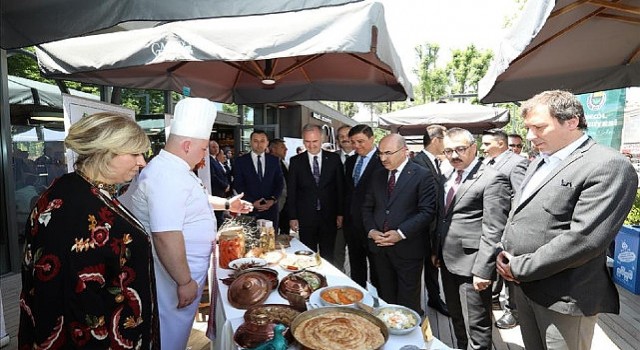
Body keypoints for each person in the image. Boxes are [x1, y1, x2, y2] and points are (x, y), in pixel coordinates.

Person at [497, 90, 638, 350]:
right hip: (526, 288)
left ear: (571, 121)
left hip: (564, 297)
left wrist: (519, 267)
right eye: (527, 128)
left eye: (539, 127)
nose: (529, 136)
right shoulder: (540, 161)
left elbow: (585, 239)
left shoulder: (608, 165)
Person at [19, 113, 160, 349]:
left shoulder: (74, 188)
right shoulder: (77, 212)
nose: (142, 162)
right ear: (105, 152)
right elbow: (78, 302)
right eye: (134, 154)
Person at [120, 98, 252, 350]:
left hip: (184, 271)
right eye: (203, 149)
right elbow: (165, 235)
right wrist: (184, 281)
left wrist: (227, 204)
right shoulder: (166, 175)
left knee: (178, 332)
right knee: (169, 333)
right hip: (173, 276)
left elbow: (196, 202)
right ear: (188, 144)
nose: (204, 155)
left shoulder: (176, 169)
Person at [435, 128, 512, 350]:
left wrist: (483, 270)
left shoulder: (492, 178)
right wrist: (436, 250)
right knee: (457, 319)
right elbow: (443, 218)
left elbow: (494, 229)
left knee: (476, 326)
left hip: (473, 266)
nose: (454, 155)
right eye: (448, 150)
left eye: (460, 149)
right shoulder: (448, 176)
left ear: (473, 148)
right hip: (448, 262)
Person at [362, 133, 436, 314]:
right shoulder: (377, 175)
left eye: (388, 153)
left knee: (407, 303)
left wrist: (400, 233)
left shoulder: (422, 175)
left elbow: (427, 211)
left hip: (408, 250)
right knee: (386, 299)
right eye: (380, 153)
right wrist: (371, 231)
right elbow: (367, 207)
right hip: (380, 249)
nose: (383, 158)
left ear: (404, 151)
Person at [480, 128, 529, 329]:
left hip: (507, 230)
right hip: (490, 226)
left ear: (501, 143)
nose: (483, 148)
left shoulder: (517, 163)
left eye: (486, 144)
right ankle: (494, 299)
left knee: (508, 272)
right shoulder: (488, 163)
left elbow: (520, 199)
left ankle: (513, 311)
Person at [288, 124, 344, 264]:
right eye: (307, 141)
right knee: (307, 256)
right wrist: (293, 217)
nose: (311, 145)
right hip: (306, 217)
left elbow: (340, 188)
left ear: (322, 139)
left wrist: (340, 213)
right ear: (303, 140)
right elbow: (292, 191)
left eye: (315, 141)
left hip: (329, 216)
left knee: (328, 255)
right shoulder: (295, 162)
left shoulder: (334, 159)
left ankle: (328, 282)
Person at [411, 124, 449, 317]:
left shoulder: (434, 161)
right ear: (436, 140)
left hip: (433, 227)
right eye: (445, 139)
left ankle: (434, 298)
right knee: (417, 269)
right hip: (421, 228)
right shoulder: (418, 163)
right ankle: (414, 307)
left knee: (432, 266)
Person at [344, 124, 384, 288]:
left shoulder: (382, 161)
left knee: (377, 269)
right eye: (353, 142)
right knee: (356, 266)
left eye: (361, 141)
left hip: (373, 225)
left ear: (372, 139)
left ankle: (378, 302)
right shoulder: (351, 161)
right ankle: (357, 298)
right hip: (352, 224)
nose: (356, 146)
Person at [233, 130, 284, 227]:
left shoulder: (274, 160)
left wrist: (272, 200)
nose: (259, 144)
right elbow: (238, 184)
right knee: (249, 240)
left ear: (267, 143)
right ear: (251, 142)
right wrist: (252, 202)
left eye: (262, 141)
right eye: (255, 141)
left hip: (270, 209)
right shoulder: (241, 161)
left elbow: (279, 182)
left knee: (270, 239)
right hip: (249, 209)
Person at [334, 125, 354, 271]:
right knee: (337, 253)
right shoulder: (331, 158)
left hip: (357, 216)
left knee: (357, 256)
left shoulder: (364, 158)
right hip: (336, 216)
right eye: (341, 136)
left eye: (347, 135)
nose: (345, 139)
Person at [269, 138, 290, 235]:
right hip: (273, 204)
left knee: (285, 232)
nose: (286, 149)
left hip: (286, 204)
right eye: (282, 147)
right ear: (273, 149)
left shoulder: (283, 163)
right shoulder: (268, 163)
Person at [209, 140, 231, 227]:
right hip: (216, 192)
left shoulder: (216, 160)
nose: (215, 149)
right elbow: (213, 177)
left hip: (221, 192)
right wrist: (224, 185)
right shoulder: (209, 160)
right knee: (218, 217)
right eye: (213, 147)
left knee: (220, 216)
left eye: (217, 147)